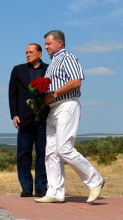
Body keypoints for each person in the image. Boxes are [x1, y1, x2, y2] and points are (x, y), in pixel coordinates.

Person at [35, 30, 105, 204]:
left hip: (67, 105)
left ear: (59, 43)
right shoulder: (52, 64)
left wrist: (55, 93)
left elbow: (76, 81)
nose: (46, 47)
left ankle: (95, 180)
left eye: (48, 44)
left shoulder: (68, 58)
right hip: (53, 109)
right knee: (50, 152)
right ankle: (56, 191)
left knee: (64, 148)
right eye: (45, 44)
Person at [8, 43, 49, 197]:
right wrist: (14, 114)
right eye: (26, 52)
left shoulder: (49, 69)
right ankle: (26, 187)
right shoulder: (18, 70)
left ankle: (40, 187)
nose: (27, 55)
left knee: (42, 153)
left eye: (31, 52)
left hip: (44, 118)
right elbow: (12, 94)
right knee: (23, 153)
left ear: (40, 54)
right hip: (24, 118)